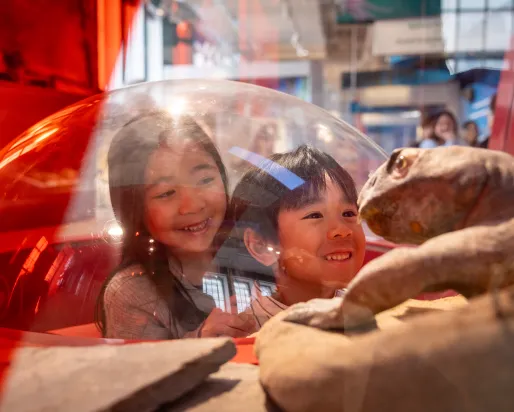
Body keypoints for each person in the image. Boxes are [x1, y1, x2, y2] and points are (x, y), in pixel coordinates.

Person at [95, 110, 255, 339]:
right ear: (134, 207)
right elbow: (139, 371)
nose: (192, 205)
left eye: (205, 180)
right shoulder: (132, 292)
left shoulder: (254, 254)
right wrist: (202, 338)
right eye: (166, 193)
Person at [228, 145, 366, 330]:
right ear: (261, 245)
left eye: (348, 213)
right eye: (315, 215)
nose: (342, 230)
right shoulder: (248, 330)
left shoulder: (368, 311)